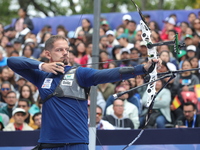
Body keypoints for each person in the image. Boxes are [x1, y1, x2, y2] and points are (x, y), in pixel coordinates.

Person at [7, 35, 161, 150]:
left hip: (77, 144)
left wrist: (142, 69)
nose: (65, 53)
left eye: (67, 49)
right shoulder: (41, 76)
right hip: (48, 144)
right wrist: (42, 66)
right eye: (59, 50)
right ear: (48, 54)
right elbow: (12, 61)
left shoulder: (80, 73)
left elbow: (108, 74)